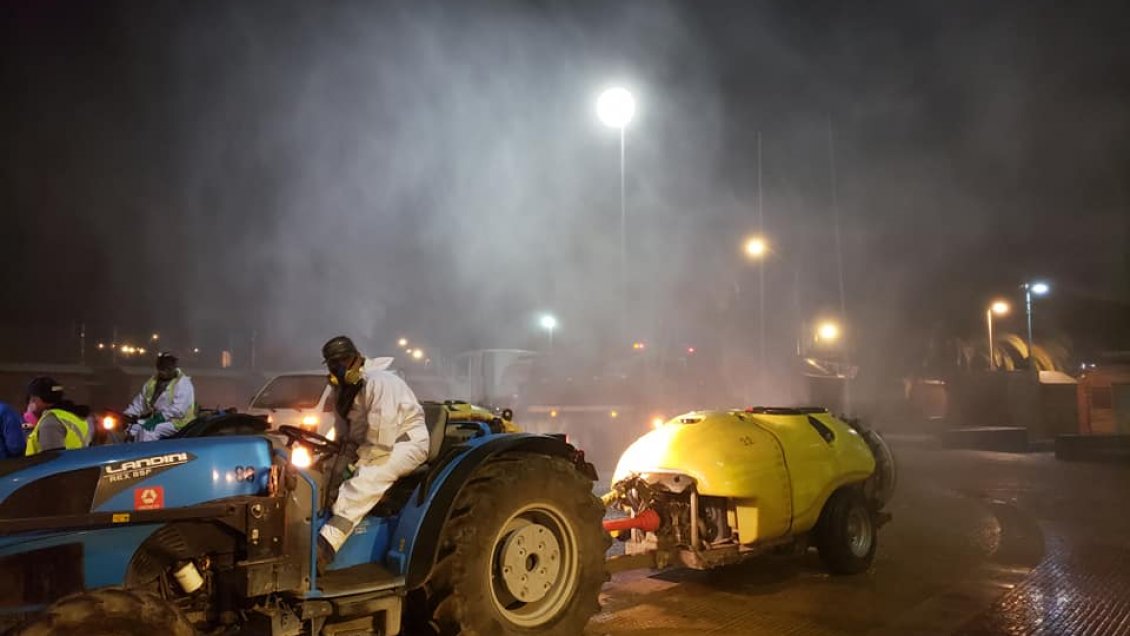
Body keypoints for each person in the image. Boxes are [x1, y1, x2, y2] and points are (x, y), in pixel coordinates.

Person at [316, 335, 429, 570]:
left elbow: (381, 439)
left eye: (342, 361)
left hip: (405, 443)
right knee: (325, 471)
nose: (336, 368)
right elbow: (351, 434)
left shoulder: (380, 382)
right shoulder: (347, 391)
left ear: (355, 359)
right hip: (374, 444)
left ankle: (325, 545)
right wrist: (338, 461)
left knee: (367, 478)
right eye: (332, 363)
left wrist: (356, 465)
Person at [125, 352, 197, 442]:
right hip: (159, 420)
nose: (164, 371)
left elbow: (178, 410)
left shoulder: (183, 383)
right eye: (162, 368)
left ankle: (148, 454)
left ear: (174, 367)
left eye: (167, 368)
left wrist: (158, 419)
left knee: (149, 431)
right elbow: (140, 402)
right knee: (133, 429)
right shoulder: (152, 383)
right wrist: (128, 414)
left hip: (178, 423)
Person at [25, 377, 92, 455]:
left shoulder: (50, 422)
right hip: (79, 465)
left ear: (37, 399)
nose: (30, 403)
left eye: (32, 399)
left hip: (65, 466)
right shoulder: (74, 416)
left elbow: (52, 460)